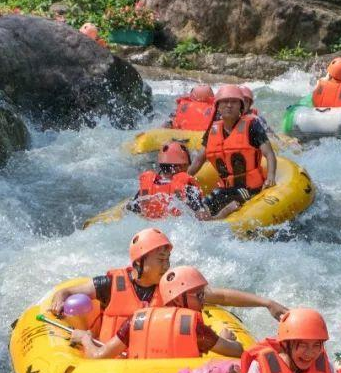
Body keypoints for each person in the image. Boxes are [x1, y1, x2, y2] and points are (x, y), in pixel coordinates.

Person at [48, 228, 288, 341]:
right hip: (110, 361)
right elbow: (71, 291)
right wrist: (61, 294)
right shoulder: (112, 283)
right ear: (140, 262)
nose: (167, 264)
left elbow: (220, 297)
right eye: (160, 259)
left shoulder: (174, 285)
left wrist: (266, 303)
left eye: (168, 259)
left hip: (156, 363)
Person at [72, 266, 244, 359]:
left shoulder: (135, 321)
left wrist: (85, 339)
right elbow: (237, 351)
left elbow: (98, 355)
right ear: (178, 299)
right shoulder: (194, 329)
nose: (203, 301)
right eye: (198, 295)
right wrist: (226, 338)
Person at [187, 85, 278, 219]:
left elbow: (269, 154)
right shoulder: (213, 130)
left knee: (219, 196)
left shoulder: (252, 125)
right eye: (225, 101)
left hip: (250, 189)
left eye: (234, 102)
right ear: (218, 106)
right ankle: (212, 218)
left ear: (241, 107)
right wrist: (184, 178)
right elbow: (199, 159)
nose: (229, 105)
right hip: (226, 189)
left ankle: (217, 219)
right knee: (197, 201)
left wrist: (270, 177)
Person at [240, 308, 334, 373]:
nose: (310, 353)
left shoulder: (328, 368)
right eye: (302, 345)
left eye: (316, 345)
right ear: (285, 344)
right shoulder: (259, 367)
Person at [127, 141, 204, 219]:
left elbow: (130, 210)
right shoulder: (187, 188)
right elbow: (202, 218)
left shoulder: (145, 190)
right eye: (187, 165)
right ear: (179, 168)